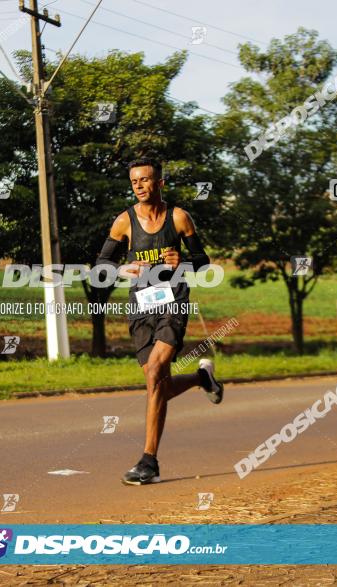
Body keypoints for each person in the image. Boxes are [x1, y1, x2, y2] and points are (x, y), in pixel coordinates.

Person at [95, 156, 224, 486]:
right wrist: (125, 269)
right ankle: (201, 378)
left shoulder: (179, 218)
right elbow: (102, 266)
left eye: (145, 180)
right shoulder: (124, 222)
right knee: (160, 387)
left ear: (160, 183)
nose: (138, 185)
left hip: (173, 303)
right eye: (134, 181)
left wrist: (183, 260)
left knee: (154, 373)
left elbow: (203, 263)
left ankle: (148, 462)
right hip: (140, 308)